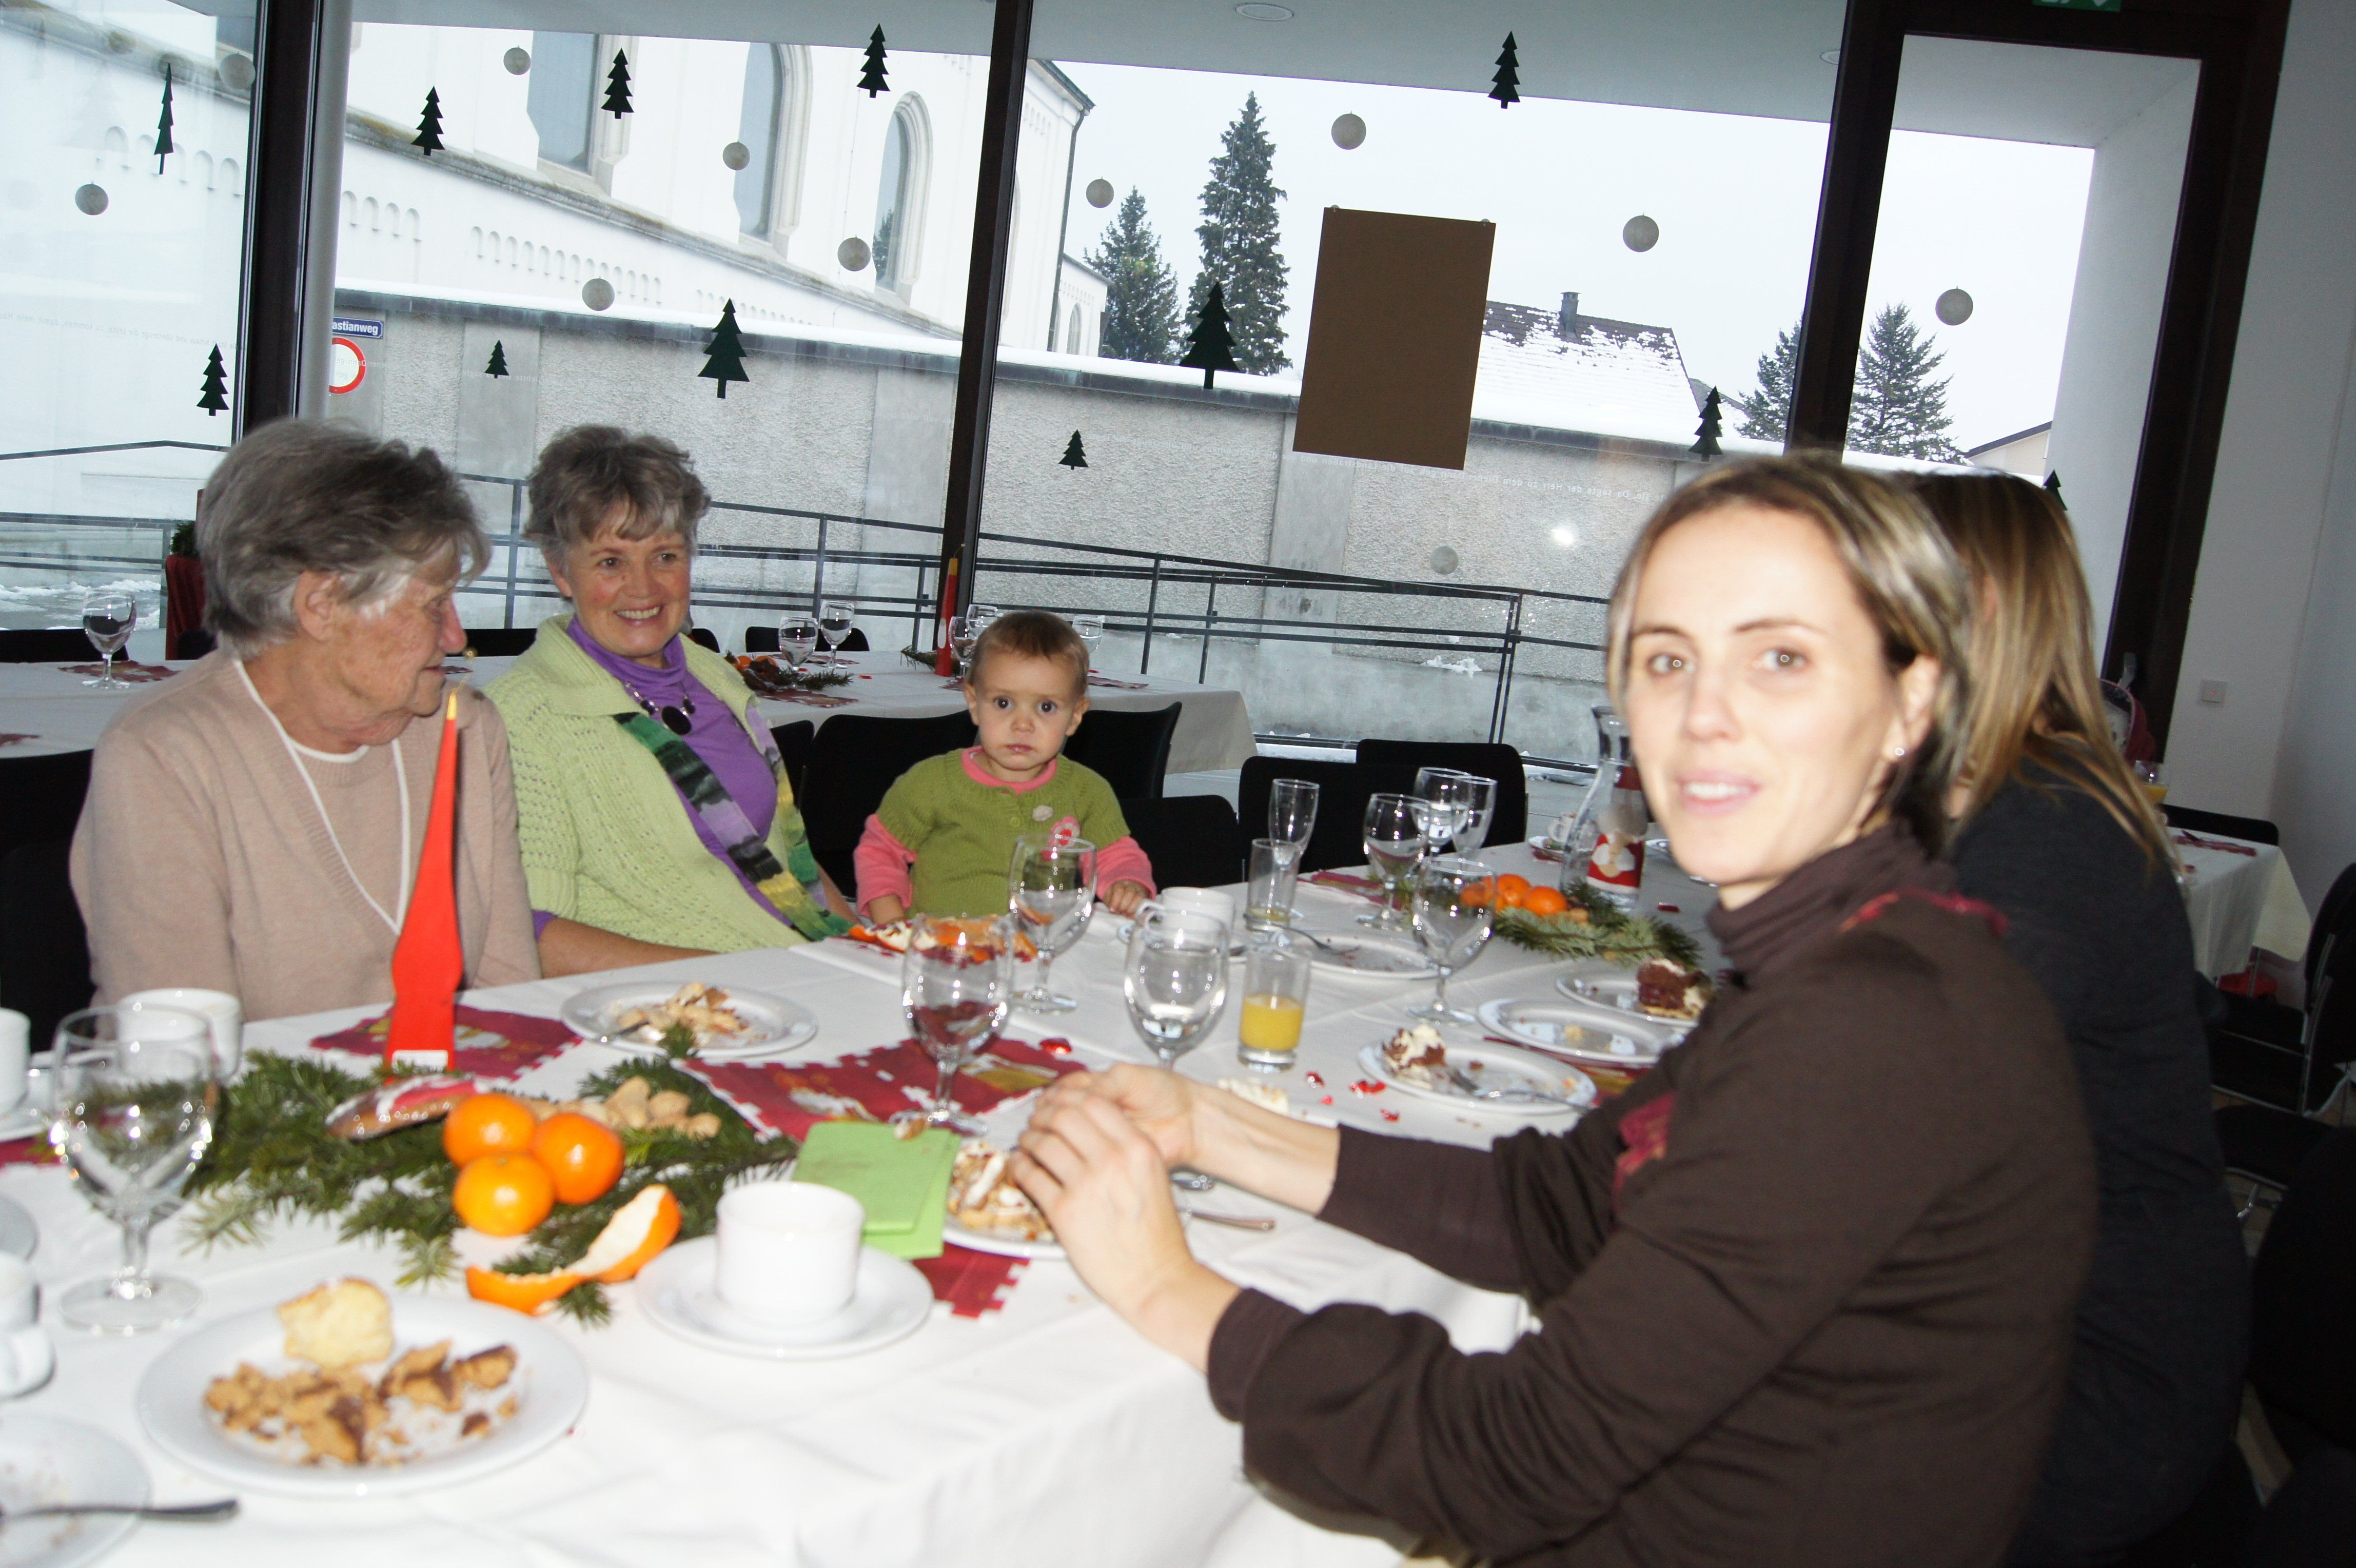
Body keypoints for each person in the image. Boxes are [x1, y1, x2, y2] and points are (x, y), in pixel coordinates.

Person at [1008, 458, 2097, 1567]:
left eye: (1781, 657)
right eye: (1666, 659)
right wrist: (1210, 1124)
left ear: (1911, 701)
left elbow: (1511, 1460)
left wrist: (1163, 1284)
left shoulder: (1876, 1028)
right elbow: (1563, 1203)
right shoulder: (1847, 960)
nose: (1703, 715)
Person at [1914, 471, 2248, 1566]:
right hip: (2013, 1319)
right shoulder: (1987, 797)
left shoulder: (2045, 834)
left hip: (2084, 1389)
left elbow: (1892, 1123)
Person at [71, 421, 538, 1021]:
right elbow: (183, 1046)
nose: (455, 636)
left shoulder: (466, 729)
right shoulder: (164, 756)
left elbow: (509, 997)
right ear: (320, 606)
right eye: (432, 604)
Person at [487, 426, 851, 976]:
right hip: (673, 1001)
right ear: (560, 570)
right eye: (610, 562)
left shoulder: (713, 675)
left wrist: (861, 948)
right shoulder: (522, 715)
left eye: (664, 556)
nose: (644, 588)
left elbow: (783, 852)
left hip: (794, 966)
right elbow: (528, 932)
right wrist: (742, 978)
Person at [855, 610, 1153, 922]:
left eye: (1046, 707)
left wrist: (1128, 883)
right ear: (974, 703)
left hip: (1041, 942)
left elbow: (1116, 854)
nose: (1022, 725)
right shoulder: (932, 782)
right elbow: (881, 850)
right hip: (943, 943)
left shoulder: (1087, 791)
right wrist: (891, 922)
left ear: (1075, 715)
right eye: (1003, 703)